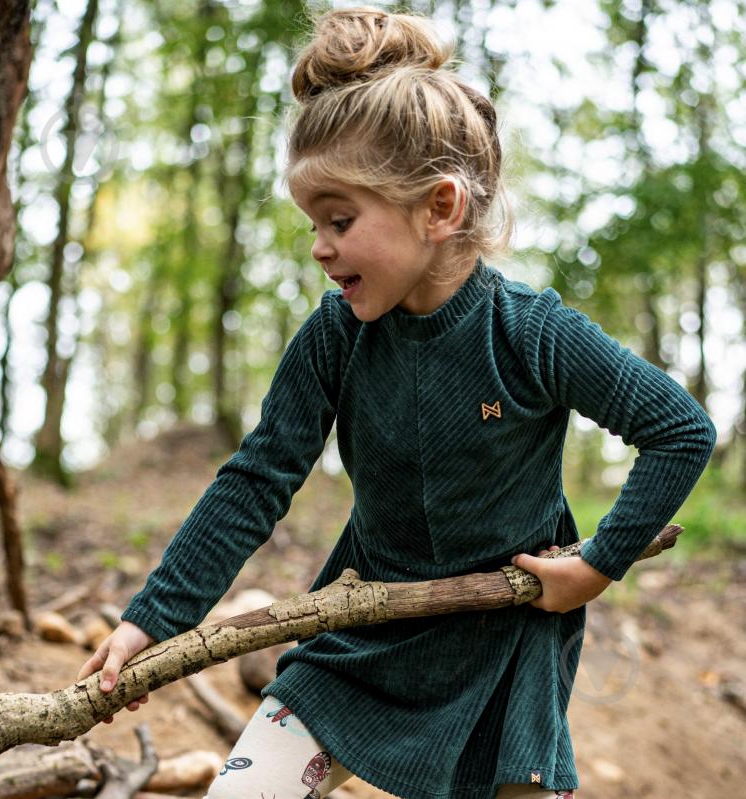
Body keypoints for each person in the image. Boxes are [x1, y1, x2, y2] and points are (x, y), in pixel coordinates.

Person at [78, 7, 716, 798]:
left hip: (503, 645)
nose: (318, 245)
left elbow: (680, 430)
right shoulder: (334, 337)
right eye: (313, 222)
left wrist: (595, 564)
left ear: (439, 209)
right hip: (359, 630)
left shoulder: (530, 335)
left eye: (339, 219)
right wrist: (150, 622)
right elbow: (256, 480)